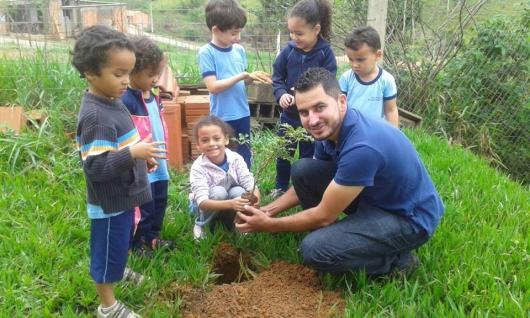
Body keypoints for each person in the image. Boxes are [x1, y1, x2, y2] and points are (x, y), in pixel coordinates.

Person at [236, 68, 444, 277]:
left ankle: (399, 262)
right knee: (303, 169)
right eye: (304, 112)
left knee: (315, 251)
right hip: (375, 197)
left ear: (342, 102)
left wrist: (270, 225)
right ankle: (335, 239)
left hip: (408, 218)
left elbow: (325, 215)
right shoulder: (329, 129)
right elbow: (311, 177)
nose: (313, 120)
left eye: (319, 107)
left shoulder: (362, 146)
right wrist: (269, 210)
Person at [72, 25, 167, 318]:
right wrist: (133, 154)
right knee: (106, 252)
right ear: (90, 71)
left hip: (123, 197)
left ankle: (120, 269)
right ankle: (108, 306)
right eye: (118, 74)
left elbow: (123, 145)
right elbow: (96, 167)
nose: (126, 81)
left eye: (128, 73)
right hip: (110, 203)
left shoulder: (112, 101)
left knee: (120, 243)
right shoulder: (96, 116)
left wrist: (141, 159)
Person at [269, 0, 337, 199]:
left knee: (308, 157)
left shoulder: (326, 53)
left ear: (316, 29)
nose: (293, 37)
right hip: (289, 116)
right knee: (284, 155)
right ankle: (281, 187)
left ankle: (302, 189)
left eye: (299, 33)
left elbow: (329, 83)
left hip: (312, 118)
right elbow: (277, 77)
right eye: (291, 32)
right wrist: (281, 93)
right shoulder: (288, 51)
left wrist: (305, 94)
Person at [198, 0, 272, 168]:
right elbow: (213, 87)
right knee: (224, 153)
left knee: (244, 151)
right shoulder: (207, 52)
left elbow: (241, 83)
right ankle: (225, 187)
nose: (238, 38)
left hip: (242, 112)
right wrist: (240, 76)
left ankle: (245, 186)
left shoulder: (239, 50)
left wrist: (250, 78)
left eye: (239, 32)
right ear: (216, 30)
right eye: (233, 33)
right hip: (222, 116)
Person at [121, 36, 175, 259]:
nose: (155, 79)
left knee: (160, 202)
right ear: (132, 72)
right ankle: (137, 244)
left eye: (157, 74)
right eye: (150, 75)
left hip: (159, 163)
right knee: (143, 208)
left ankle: (153, 237)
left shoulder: (154, 96)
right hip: (141, 167)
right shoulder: (125, 100)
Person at [188, 115, 260, 239]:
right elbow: (202, 203)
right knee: (218, 192)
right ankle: (203, 225)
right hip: (209, 204)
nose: (211, 144)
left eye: (216, 138)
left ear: (226, 139)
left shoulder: (235, 159)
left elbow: (249, 182)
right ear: (198, 145)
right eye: (205, 140)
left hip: (231, 201)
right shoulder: (199, 167)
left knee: (240, 191)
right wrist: (231, 204)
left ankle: (236, 224)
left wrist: (256, 200)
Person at [339, 26, 399, 128]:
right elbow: (339, 107)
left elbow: (391, 110)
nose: (354, 65)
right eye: (351, 59)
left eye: (360, 60)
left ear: (378, 55)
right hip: (350, 130)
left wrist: (394, 135)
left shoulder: (386, 80)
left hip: (376, 131)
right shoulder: (346, 78)